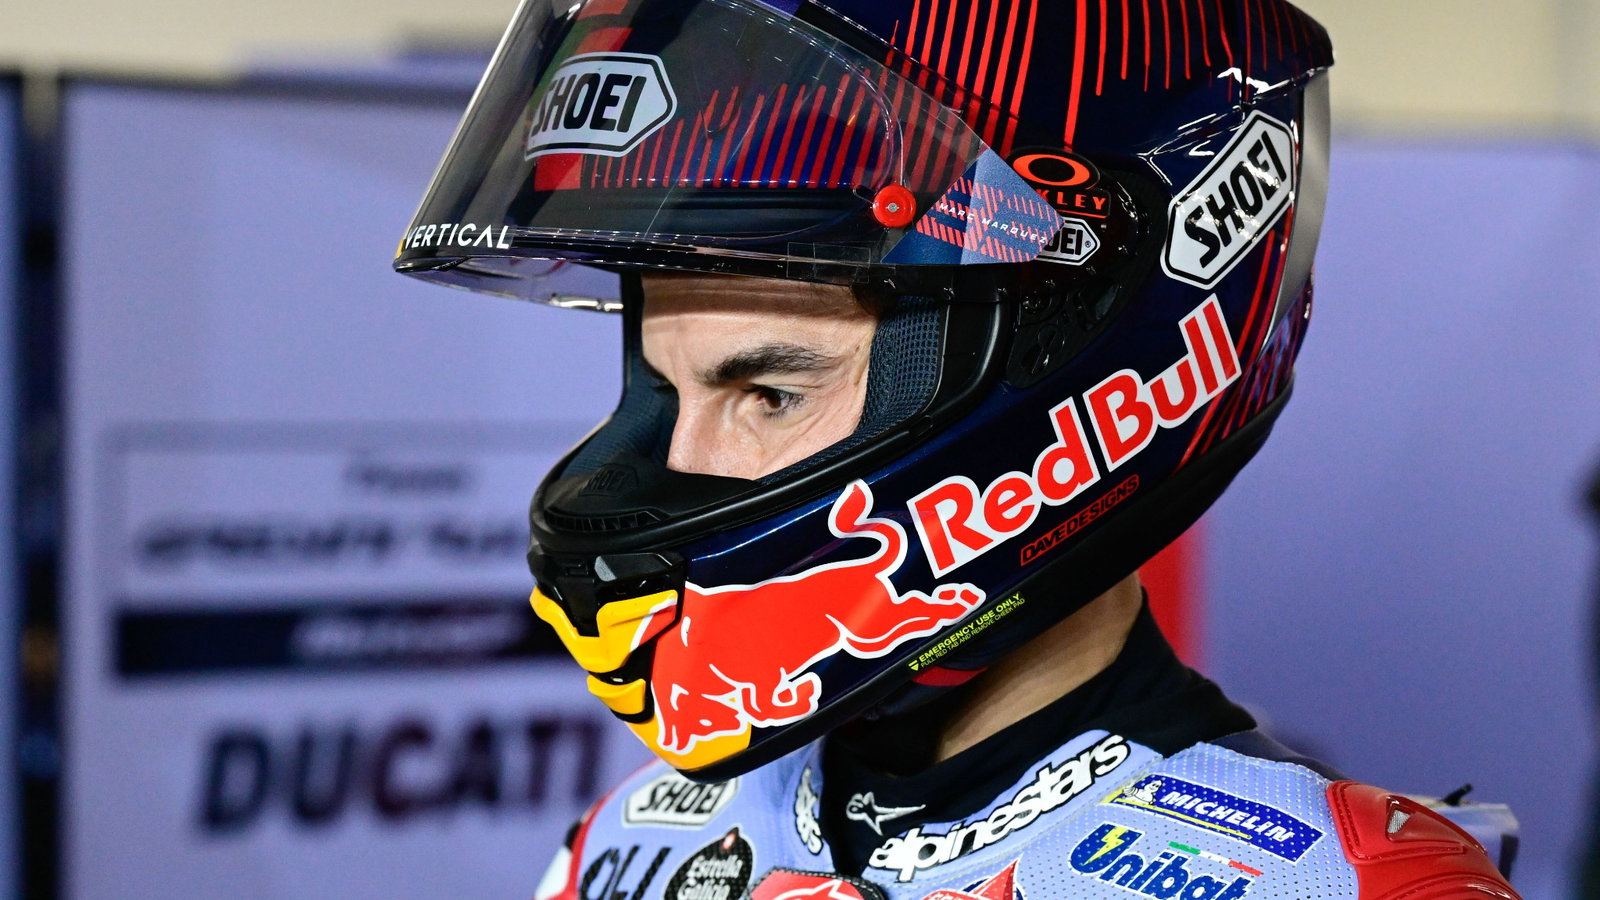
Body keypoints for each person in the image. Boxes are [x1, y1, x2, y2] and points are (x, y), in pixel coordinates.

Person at [395, 0, 1522, 897]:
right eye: (663, 394)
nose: (680, 462)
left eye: (770, 392)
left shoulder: (1325, 883)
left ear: (1077, 362)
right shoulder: (633, 847)